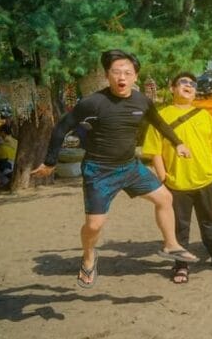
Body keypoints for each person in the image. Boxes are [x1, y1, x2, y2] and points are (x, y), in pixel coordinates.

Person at [31, 49, 197, 288]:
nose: (122, 77)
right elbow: (61, 128)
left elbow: (159, 124)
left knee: (164, 198)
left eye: (127, 73)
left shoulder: (142, 100)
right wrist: (50, 161)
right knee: (94, 225)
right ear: (107, 76)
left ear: (135, 77)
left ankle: (170, 244)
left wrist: (178, 143)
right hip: (99, 171)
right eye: (116, 72)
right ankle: (88, 255)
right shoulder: (93, 102)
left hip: (130, 167)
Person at [142, 72, 212, 285]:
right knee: (180, 227)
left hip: (207, 179)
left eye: (192, 84)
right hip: (177, 182)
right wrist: (163, 177)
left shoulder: (204, 115)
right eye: (183, 82)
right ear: (172, 88)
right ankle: (181, 266)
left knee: (208, 221)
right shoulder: (161, 116)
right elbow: (154, 151)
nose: (189, 86)